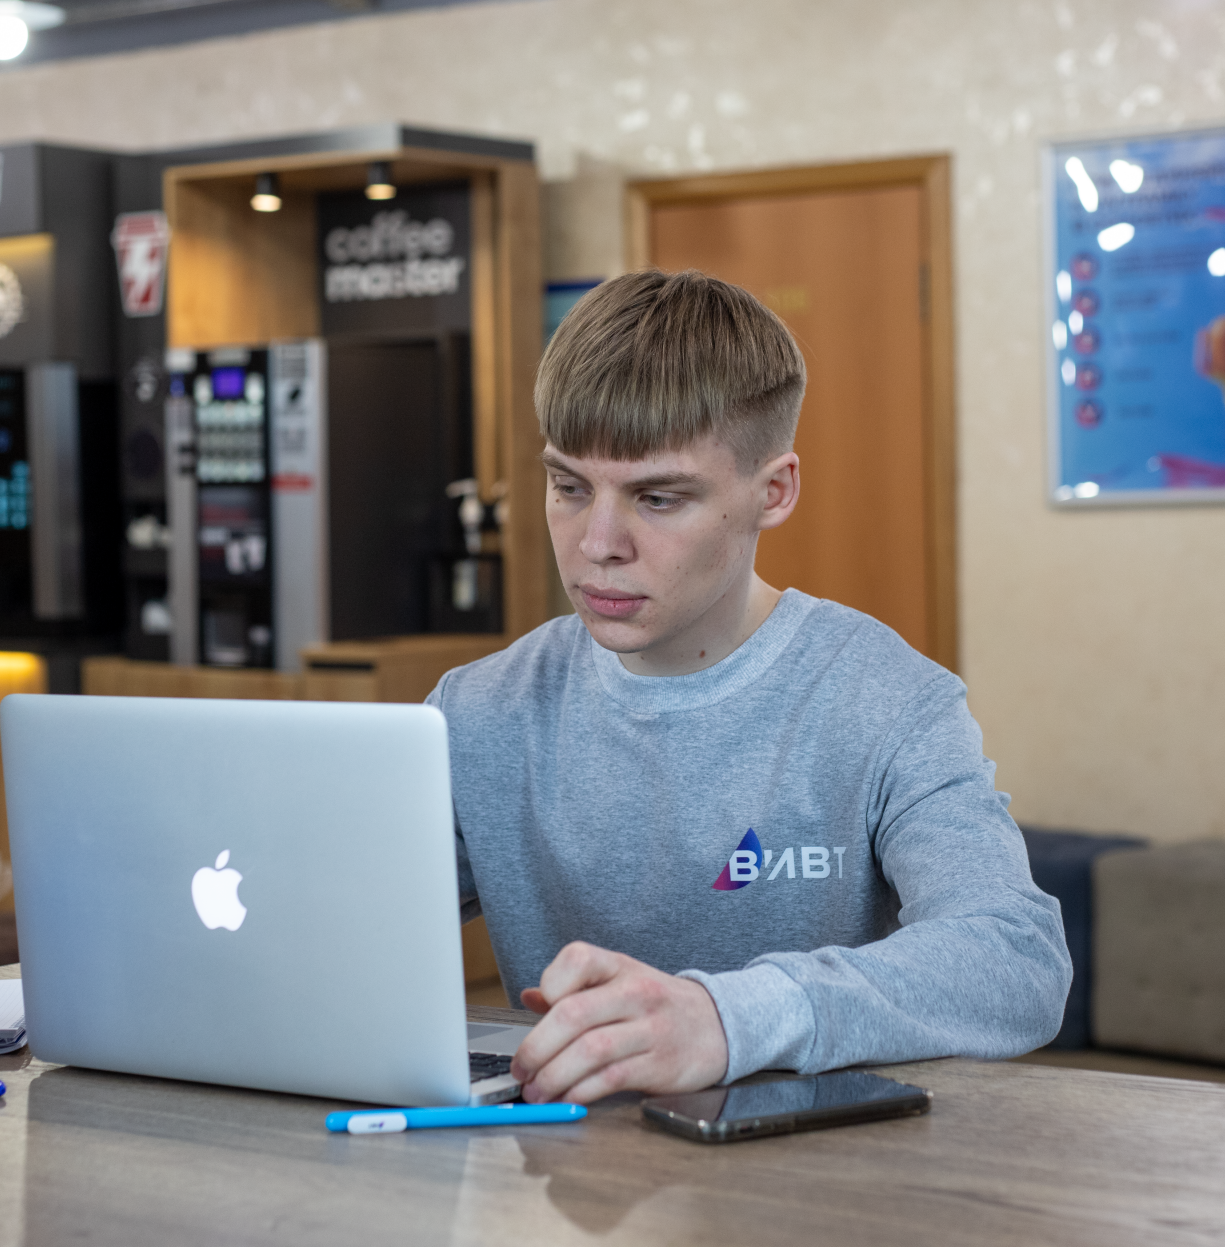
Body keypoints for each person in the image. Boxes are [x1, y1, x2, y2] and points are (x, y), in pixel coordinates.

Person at [427, 269, 1071, 1106]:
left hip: (810, 1169)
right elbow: (330, 927)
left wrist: (725, 1019)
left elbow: (1015, 958)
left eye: (659, 498)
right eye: (569, 487)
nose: (598, 543)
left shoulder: (888, 701)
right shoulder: (476, 711)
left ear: (774, 492)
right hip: (557, 1165)